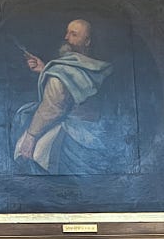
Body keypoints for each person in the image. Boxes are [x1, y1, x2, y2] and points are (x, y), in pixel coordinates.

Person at [13, 19, 114, 174]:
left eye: (73, 34)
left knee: (26, 144)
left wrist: (30, 137)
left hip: (75, 135)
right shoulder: (97, 67)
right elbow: (74, 82)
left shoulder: (61, 73)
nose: (66, 38)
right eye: (67, 32)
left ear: (87, 41)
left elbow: (52, 109)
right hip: (99, 134)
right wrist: (45, 69)